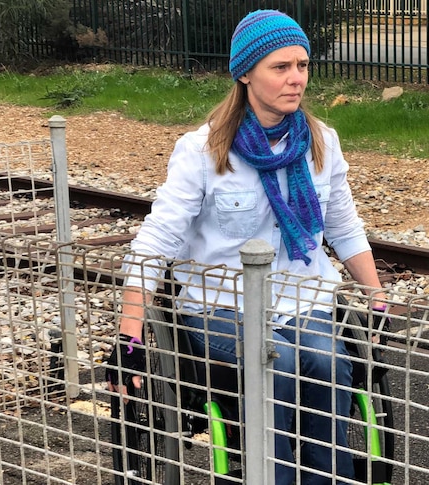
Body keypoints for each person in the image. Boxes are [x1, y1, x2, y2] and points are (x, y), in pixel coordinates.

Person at [104, 9, 385, 485]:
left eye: (303, 65)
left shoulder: (322, 142)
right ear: (245, 73)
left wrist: (376, 295)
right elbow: (157, 239)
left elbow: (342, 225)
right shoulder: (203, 150)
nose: (296, 79)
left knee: (328, 361)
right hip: (220, 306)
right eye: (281, 67)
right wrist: (130, 334)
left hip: (303, 298)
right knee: (277, 361)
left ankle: (323, 478)